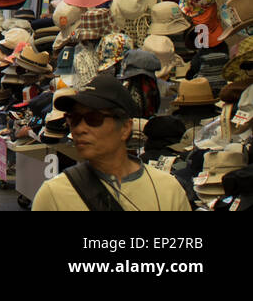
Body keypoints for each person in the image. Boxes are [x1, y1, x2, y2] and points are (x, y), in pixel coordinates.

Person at [31, 73, 190, 211]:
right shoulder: (53, 195)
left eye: (94, 119)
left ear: (125, 128)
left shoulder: (168, 190)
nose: (80, 129)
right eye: (74, 119)